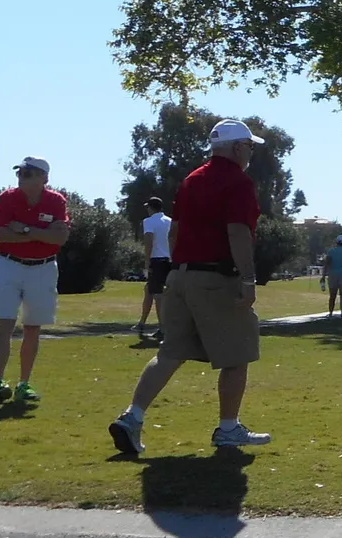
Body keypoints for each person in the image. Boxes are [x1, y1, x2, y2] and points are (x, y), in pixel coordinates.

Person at [108, 120, 269, 455]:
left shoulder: (191, 179)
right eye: (249, 146)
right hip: (215, 277)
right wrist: (247, 279)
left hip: (179, 276)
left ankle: (131, 417)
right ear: (237, 147)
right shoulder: (238, 182)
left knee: (170, 353)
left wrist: (179, 268)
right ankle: (228, 429)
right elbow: (238, 232)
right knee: (237, 355)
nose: (251, 152)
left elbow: (174, 232)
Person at [0, 156, 71, 405]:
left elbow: (60, 239)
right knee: (5, 324)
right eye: (21, 173)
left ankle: (24, 383)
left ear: (44, 178)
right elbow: (0, 235)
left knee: (33, 327)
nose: (22, 177)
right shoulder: (7, 198)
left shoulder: (56, 201)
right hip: (8, 264)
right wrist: (41, 235)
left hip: (43, 268)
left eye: (29, 173)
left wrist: (23, 230)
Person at [137, 195, 172, 341]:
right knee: (151, 290)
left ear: (151, 208)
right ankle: (143, 323)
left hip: (156, 260)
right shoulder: (169, 221)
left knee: (158, 295)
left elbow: (148, 242)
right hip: (170, 260)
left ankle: (163, 329)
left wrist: (146, 263)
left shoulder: (149, 222)